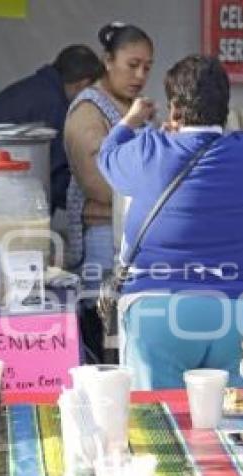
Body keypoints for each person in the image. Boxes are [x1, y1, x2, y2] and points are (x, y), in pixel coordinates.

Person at [97, 55, 243, 389]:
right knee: (238, 425)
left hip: (161, 311)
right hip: (242, 311)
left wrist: (130, 121)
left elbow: (106, 158)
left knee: (159, 427)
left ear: (174, 111)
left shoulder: (149, 150)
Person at [64, 22, 154, 361]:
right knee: (107, 337)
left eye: (147, 67)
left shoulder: (132, 108)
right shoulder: (88, 110)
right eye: (132, 65)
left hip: (133, 236)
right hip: (103, 237)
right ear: (108, 61)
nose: (140, 75)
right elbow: (100, 183)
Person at [0, 44, 103, 213]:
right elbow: (54, 172)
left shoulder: (30, 90)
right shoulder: (54, 106)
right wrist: (88, 204)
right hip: (19, 201)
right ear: (82, 84)